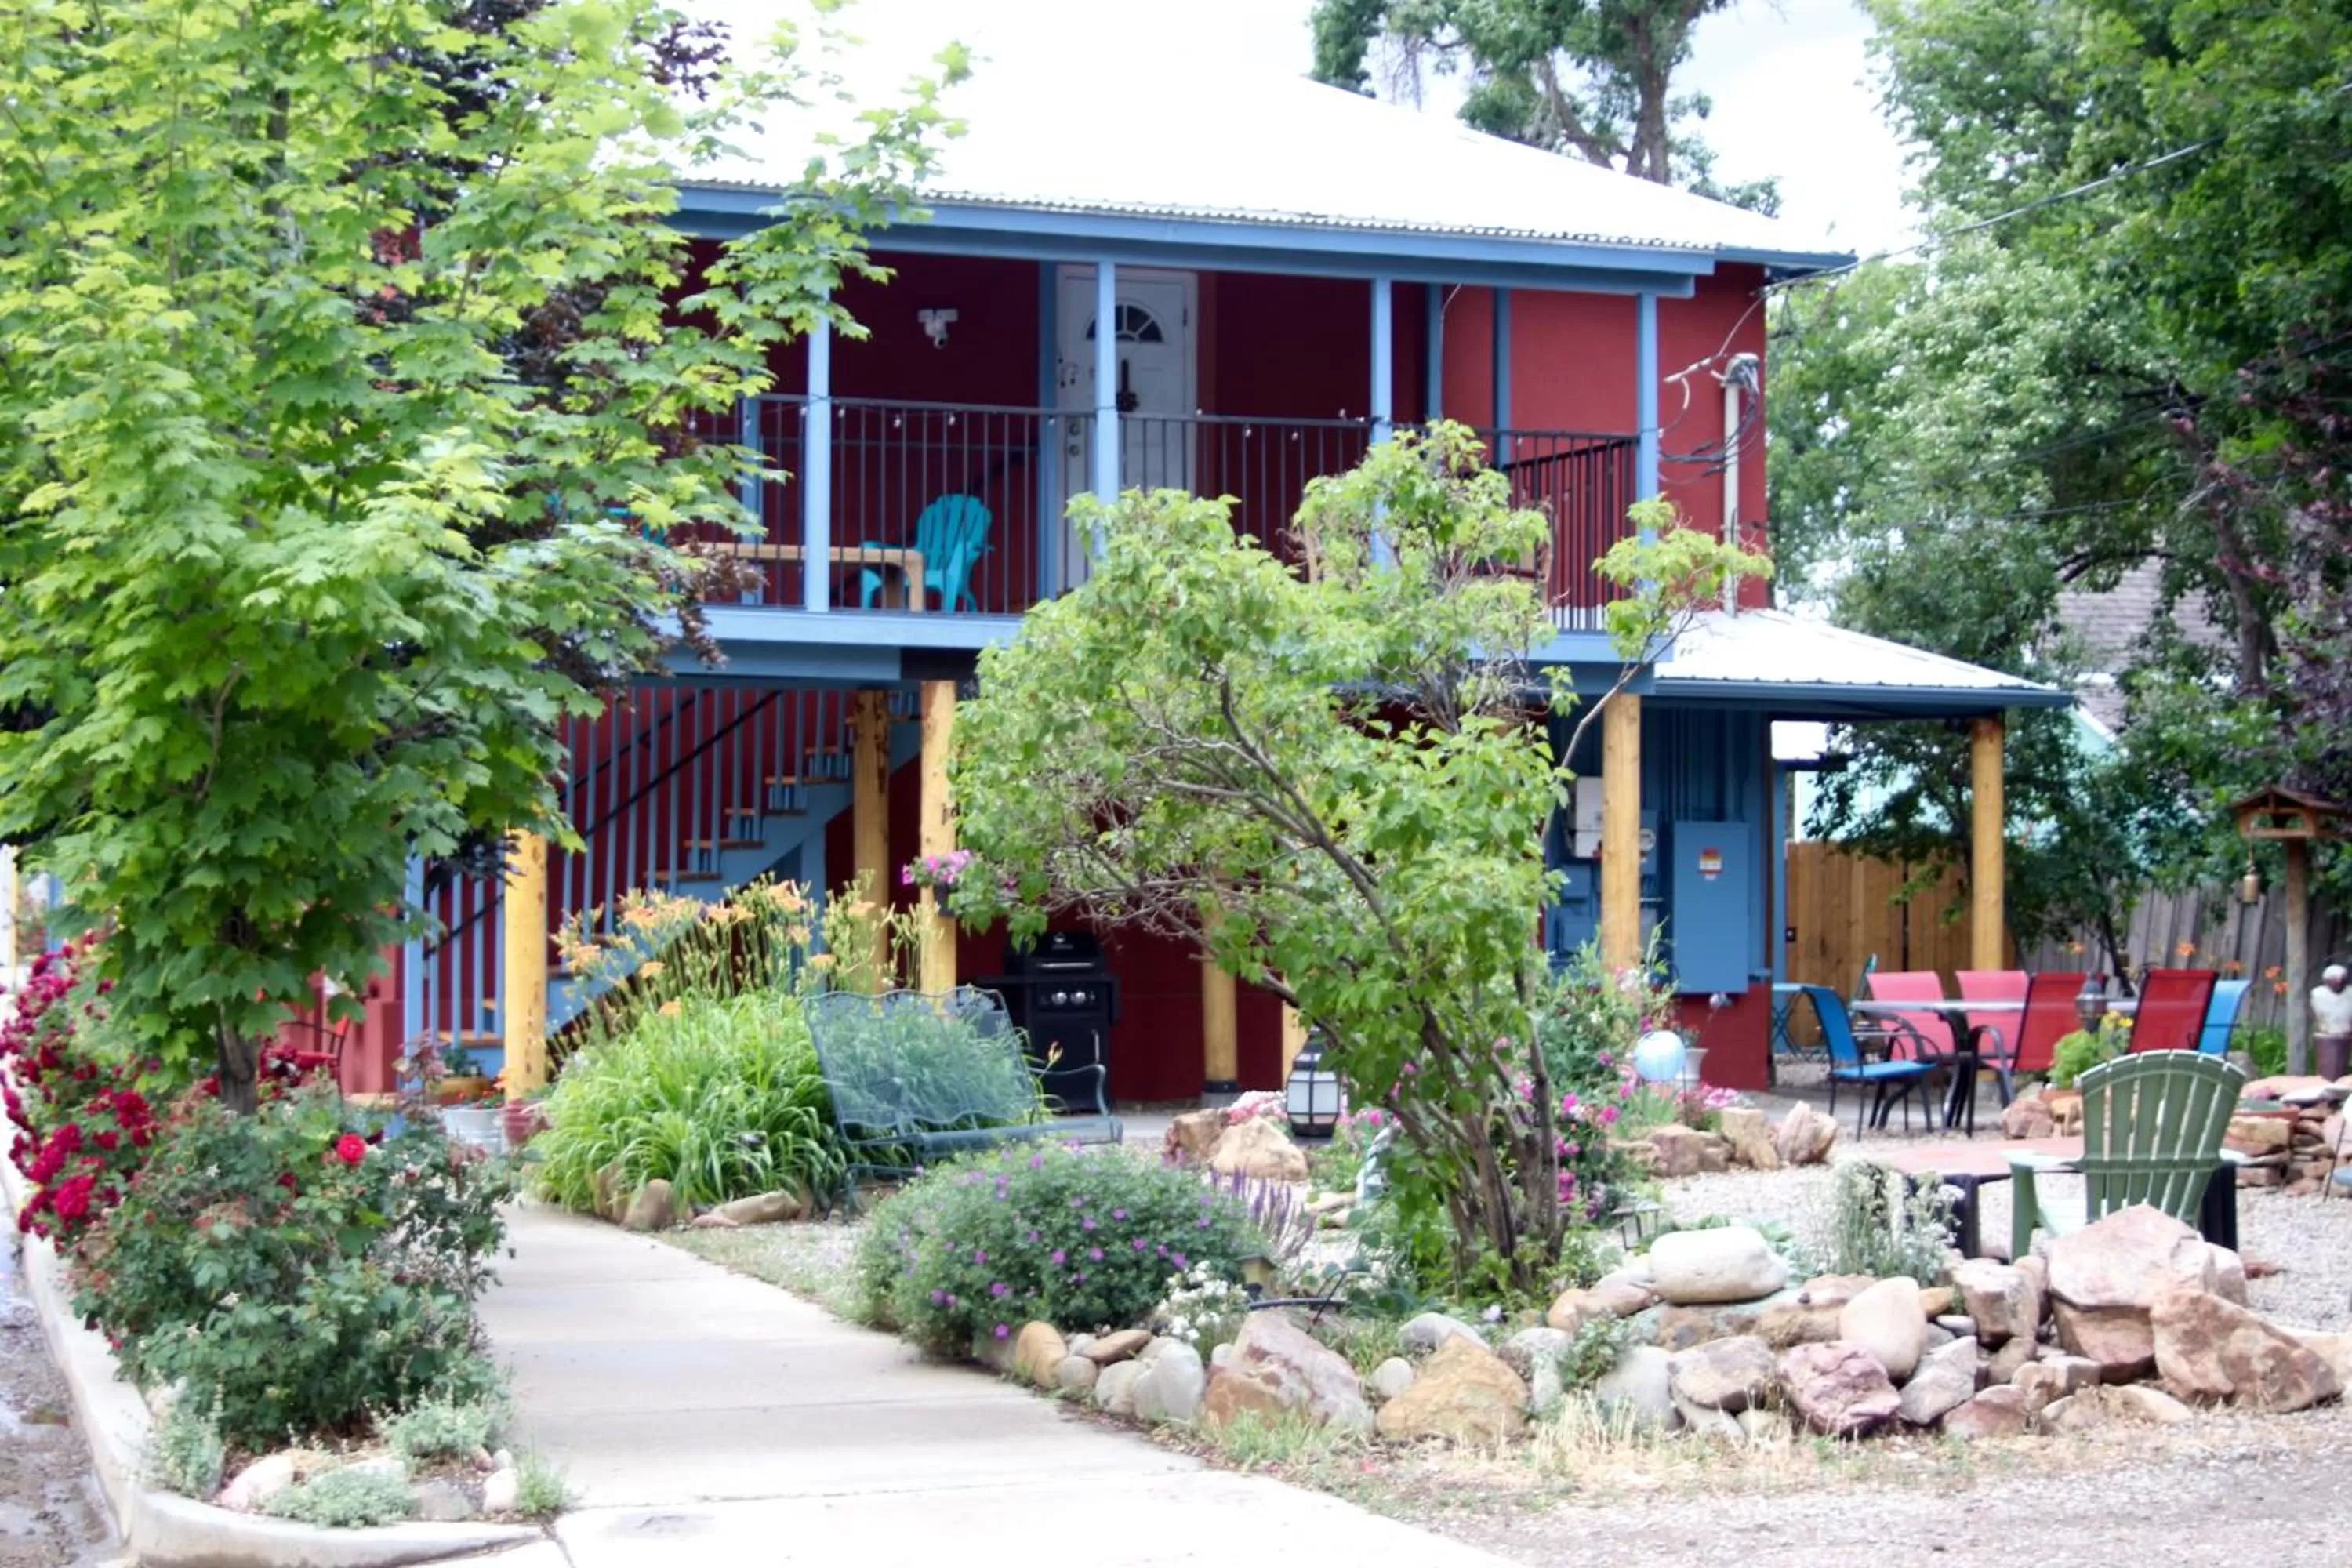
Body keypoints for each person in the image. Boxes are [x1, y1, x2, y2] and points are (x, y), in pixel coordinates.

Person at [2314, 964, 2352, 1080]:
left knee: (2341, 1065)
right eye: (2335, 980)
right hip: (2327, 1033)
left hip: (2346, 1033)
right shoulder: (2318, 994)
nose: (2339, 983)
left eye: (2342, 980)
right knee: (2327, 1066)